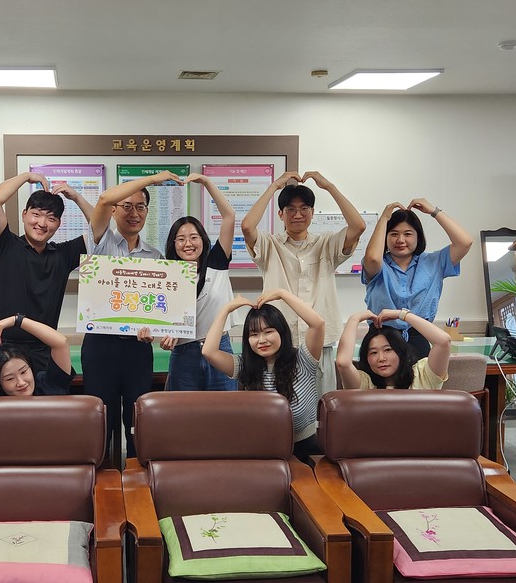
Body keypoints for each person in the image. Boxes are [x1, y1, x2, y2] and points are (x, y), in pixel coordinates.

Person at [81, 170, 182, 460]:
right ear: (114, 211)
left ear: (147, 211)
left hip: (137, 349)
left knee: (138, 420)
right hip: (100, 347)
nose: (134, 213)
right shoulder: (99, 242)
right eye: (127, 206)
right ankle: (102, 478)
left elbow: (162, 309)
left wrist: (160, 331)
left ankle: (140, 479)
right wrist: (151, 179)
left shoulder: (155, 257)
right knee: (102, 419)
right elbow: (103, 198)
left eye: (140, 207)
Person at [241, 171, 366, 398]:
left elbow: (358, 226)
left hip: (319, 345)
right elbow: (247, 227)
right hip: (279, 346)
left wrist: (329, 186)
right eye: (290, 209)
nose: (298, 214)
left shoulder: (326, 243)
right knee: (280, 407)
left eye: (304, 208)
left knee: (322, 406)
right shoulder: (269, 245)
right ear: (281, 214)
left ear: (312, 212)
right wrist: (274, 186)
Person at [0, 172, 93, 374]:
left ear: (58, 224)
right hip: (2, 349)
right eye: (36, 214)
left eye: (51, 218)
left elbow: (101, 230)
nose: (42, 223)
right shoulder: (4, 245)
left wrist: (77, 197)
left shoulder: (62, 255)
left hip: (44, 351)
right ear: (24, 214)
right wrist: (26, 177)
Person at [202, 289, 325, 463]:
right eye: (254, 334)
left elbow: (318, 324)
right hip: (263, 448)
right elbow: (208, 352)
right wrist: (226, 310)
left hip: (305, 448)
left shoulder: (303, 359)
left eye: (268, 332)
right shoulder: (244, 366)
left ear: (281, 332)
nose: (261, 340)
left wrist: (282, 294)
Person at [362, 199, 472, 359]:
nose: (400, 240)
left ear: (418, 237)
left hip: (419, 338)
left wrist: (434, 211)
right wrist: (384, 219)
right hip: (381, 341)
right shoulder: (378, 265)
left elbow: (465, 242)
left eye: (407, 234)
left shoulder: (434, 262)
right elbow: (372, 257)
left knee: (422, 376)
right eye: (393, 234)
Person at [159, 173, 238, 391]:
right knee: (183, 410)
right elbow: (162, 318)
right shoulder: (167, 275)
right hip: (184, 352)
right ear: (173, 244)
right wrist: (165, 337)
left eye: (194, 237)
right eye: (181, 239)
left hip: (219, 347)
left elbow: (229, 216)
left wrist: (206, 182)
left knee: (225, 408)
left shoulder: (217, 262)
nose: (188, 244)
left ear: (203, 239)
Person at [336, 308, 451, 390]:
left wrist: (402, 315)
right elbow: (343, 363)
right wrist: (354, 319)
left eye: (388, 350)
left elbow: (443, 341)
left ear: (401, 351)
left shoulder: (422, 375)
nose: (381, 358)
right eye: (373, 352)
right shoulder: (365, 383)